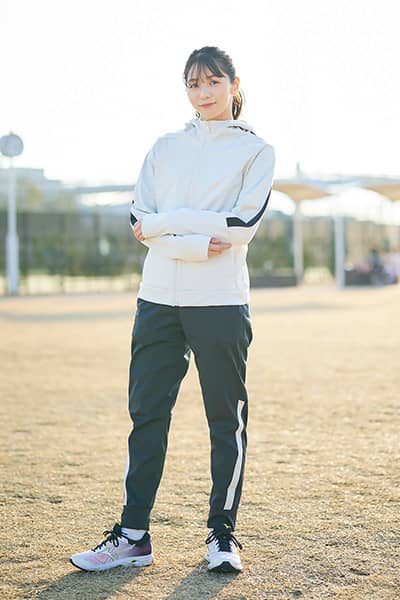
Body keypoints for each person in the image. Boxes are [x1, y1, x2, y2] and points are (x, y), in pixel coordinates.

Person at [70, 45, 275, 574]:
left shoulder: (256, 151)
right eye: (193, 84)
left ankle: (222, 535)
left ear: (233, 84)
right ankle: (133, 536)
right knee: (146, 416)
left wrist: (168, 223)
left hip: (220, 302)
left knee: (225, 420)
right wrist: (195, 239)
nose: (202, 93)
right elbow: (139, 219)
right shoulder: (164, 147)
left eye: (212, 82)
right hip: (157, 299)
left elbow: (240, 227)